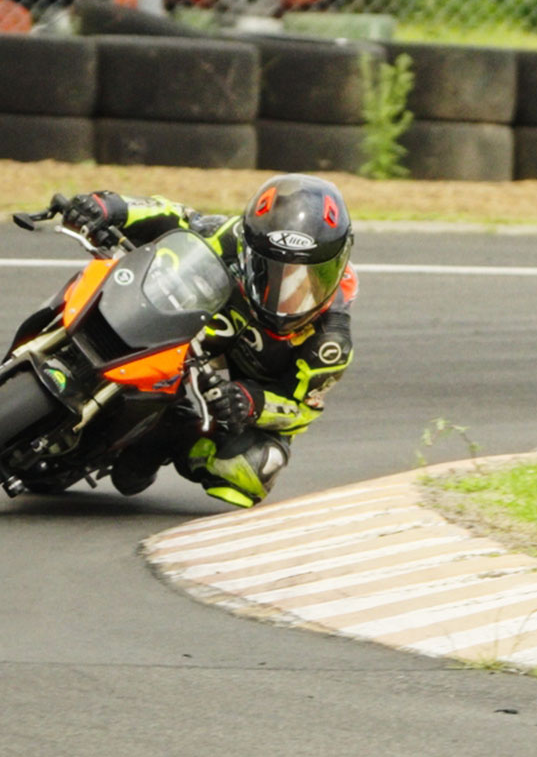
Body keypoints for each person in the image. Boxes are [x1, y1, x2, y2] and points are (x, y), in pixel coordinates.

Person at [60, 172, 356, 510]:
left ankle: (168, 436)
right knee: (111, 275)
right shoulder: (229, 236)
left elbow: (302, 409)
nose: (287, 294)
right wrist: (109, 206)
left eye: (309, 279)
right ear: (248, 247)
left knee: (253, 470)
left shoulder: (331, 342)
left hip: (245, 386)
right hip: (195, 330)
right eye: (268, 269)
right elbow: (176, 217)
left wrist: (251, 402)